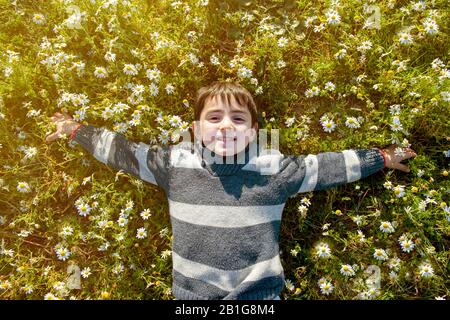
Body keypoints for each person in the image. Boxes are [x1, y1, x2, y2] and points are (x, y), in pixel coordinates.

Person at [46, 81, 417, 300]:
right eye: (214, 117)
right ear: (195, 129)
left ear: (254, 132)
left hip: (258, 296)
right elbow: (124, 153)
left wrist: (381, 157)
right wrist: (76, 130)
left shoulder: (273, 169)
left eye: (238, 119)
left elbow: (326, 167)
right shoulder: (174, 163)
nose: (226, 126)